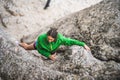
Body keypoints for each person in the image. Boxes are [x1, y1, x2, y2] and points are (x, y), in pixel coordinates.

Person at [19, 28, 90, 61]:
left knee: (52, 57)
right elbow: (40, 49)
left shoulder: (60, 39)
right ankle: (18, 43)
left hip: (53, 51)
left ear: (55, 38)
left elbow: (71, 41)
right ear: (46, 35)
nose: (49, 41)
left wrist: (83, 44)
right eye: (48, 38)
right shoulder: (41, 38)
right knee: (27, 47)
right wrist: (48, 55)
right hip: (38, 45)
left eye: (51, 39)